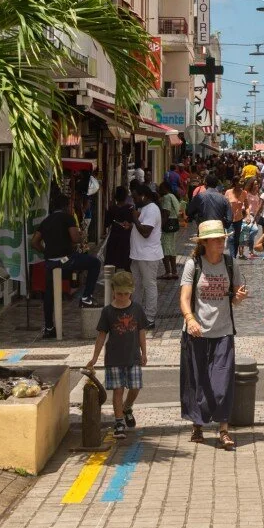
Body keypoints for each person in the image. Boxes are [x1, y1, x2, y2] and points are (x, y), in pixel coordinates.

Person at [179, 221, 247, 448]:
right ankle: (197, 425)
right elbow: (184, 298)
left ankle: (224, 429)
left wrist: (239, 297)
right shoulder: (193, 264)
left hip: (223, 331)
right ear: (205, 243)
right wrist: (190, 319)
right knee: (197, 381)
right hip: (197, 332)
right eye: (216, 239)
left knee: (223, 382)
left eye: (222, 238)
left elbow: (235, 297)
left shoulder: (230, 263)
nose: (221, 242)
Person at [84, 270, 148, 436]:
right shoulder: (108, 311)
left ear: (131, 292)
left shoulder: (137, 309)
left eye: (126, 294)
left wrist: (144, 352)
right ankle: (119, 421)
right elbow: (101, 335)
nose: (123, 297)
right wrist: (95, 357)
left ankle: (127, 407)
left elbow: (141, 332)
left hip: (133, 356)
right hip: (114, 358)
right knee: (118, 390)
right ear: (113, 291)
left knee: (135, 387)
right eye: (119, 294)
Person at [31, 193, 102, 338]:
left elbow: (34, 242)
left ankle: (49, 327)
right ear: (66, 206)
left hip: (50, 263)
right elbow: (75, 239)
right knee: (95, 263)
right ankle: (86, 297)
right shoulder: (68, 218)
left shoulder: (46, 221)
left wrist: (46, 252)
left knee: (49, 294)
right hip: (67, 260)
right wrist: (82, 235)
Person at [129, 182, 165, 329]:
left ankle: (150, 317)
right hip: (138, 255)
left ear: (143, 196)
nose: (134, 200)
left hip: (148, 256)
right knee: (136, 286)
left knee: (149, 286)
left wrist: (134, 219)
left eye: (135, 197)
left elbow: (145, 232)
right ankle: (136, 314)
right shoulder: (143, 208)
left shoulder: (152, 209)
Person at [158, 181, 183, 281]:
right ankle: (174, 272)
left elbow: (166, 212)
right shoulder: (173, 196)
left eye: (160, 188)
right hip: (174, 225)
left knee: (165, 249)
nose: (159, 190)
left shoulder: (167, 197)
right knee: (172, 249)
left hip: (168, 226)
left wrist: (160, 226)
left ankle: (168, 272)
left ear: (165, 188)